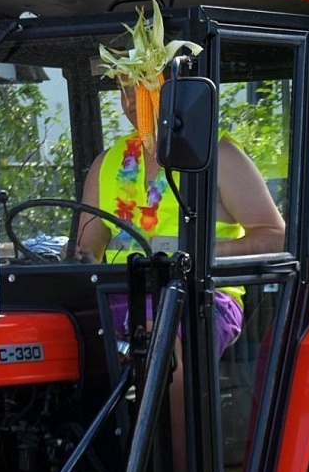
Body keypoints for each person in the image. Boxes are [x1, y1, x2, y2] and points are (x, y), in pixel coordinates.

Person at [76, 83, 285, 355]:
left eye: (143, 85)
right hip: (123, 296)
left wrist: (195, 256)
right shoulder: (106, 163)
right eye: (124, 87)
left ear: (181, 86)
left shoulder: (219, 156)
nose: (130, 99)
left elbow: (276, 238)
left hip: (203, 295)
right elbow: (86, 253)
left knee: (154, 331)